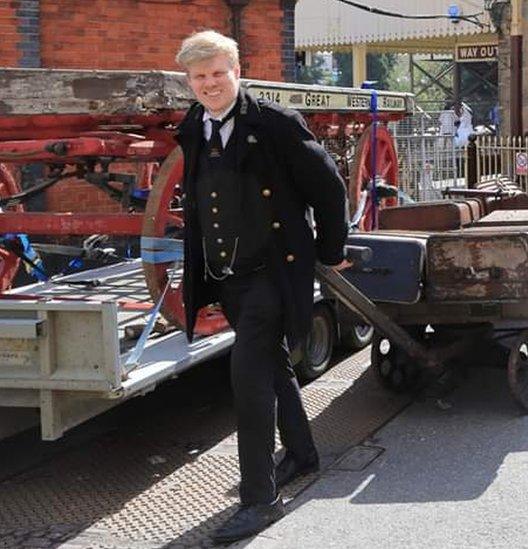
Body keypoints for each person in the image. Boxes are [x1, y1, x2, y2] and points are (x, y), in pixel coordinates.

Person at [174, 30, 348, 543]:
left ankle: (259, 501)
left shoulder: (274, 123)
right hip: (227, 277)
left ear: (236, 71)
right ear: (189, 81)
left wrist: (331, 250)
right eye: (199, 76)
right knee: (271, 365)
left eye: (217, 73)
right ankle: (302, 453)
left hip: (273, 272)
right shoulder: (193, 126)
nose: (209, 84)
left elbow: (329, 185)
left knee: (247, 379)